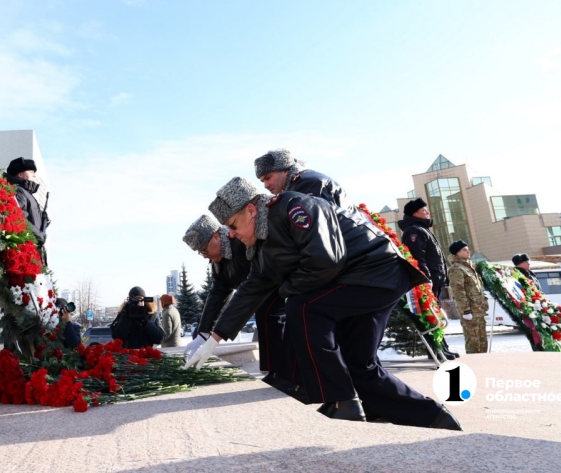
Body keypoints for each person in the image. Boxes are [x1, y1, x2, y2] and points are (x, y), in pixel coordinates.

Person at [185, 177, 461, 430]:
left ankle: (341, 400)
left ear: (251, 210)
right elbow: (252, 288)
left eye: (232, 225)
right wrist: (214, 337)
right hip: (366, 282)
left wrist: (286, 290)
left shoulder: (295, 206)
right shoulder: (261, 241)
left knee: (303, 307)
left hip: (375, 273)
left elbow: (324, 261)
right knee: (357, 363)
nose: (230, 234)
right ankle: (431, 416)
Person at [182, 214, 293, 390]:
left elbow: (254, 282)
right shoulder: (218, 261)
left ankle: (284, 374)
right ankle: (274, 372)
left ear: (217, 236)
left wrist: (216, 336)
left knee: (271, 320)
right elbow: (217, 294)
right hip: (256, 295)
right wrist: (203, 333)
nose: (204, 256)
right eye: (200, 252)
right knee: (265, 321)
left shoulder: (240, 242)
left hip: (273, 287)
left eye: (204, 249)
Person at [398, 198, 459, 361]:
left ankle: (442, 348)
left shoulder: (421, 228)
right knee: (430, 315)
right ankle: (436, 350)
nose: (427, 213)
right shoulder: (414, 231)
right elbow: (417, 258)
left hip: (434, 280)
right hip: (427, 282)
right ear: (414, 213)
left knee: (435, 315)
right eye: (424, 210)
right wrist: (426, 278)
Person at [254, 148, 349, 208]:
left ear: (285, 170)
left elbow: (320, 227)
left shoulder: (307, 184)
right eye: (262, 181)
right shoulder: (303, 181)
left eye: (268, 178)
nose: (265, 185)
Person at [5, 157, 50, 265]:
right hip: (27, 250)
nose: (34, 175)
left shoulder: (27, 193)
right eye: (31, 171)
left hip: (33, 249)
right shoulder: (20, 191)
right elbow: (20, 218)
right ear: (20, 174)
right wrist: (39, 235)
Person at [447, 241, 488, 354]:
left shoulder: (469, 267)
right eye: (464, 249)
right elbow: (458, 291)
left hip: (478, 310)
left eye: (468, 249)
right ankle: (475, 365)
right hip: (470, 311)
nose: (468, 251)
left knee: (482, 341)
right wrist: (466, 311)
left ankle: (484, 364)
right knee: (473, 342)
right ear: (457, 253)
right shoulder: (456, 269)